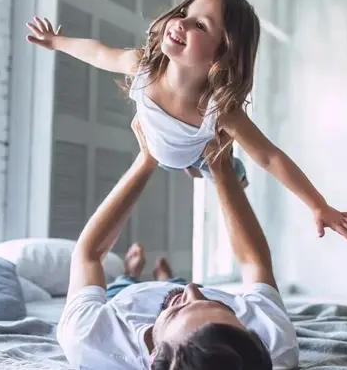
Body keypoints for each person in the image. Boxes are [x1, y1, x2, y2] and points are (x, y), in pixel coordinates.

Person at [26, 0, 347, 243]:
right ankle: (193, 165)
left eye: (200, 26)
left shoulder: (218, 111)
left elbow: (270, 157)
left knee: (221, 166)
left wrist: (317, 204)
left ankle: (217, 168)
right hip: (158, 142)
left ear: (222, 55)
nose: (181, 23)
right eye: (185, 14)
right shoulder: (143, 66)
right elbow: (100, 54)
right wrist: (58, 43)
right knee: (187, 160)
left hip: (197, 152)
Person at [57, 118, 298, 369]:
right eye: (222, 309)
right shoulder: (275, 344)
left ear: (154, 358)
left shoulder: (89, 338)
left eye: (180, 311)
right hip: (192, 303)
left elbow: (88, 255)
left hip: (126, 300)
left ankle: (132, 274)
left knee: (122, 285)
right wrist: (221, 167)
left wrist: (147, 159)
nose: (193, 289)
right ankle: (169, 279)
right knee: (180, 287)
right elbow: (254, 264)